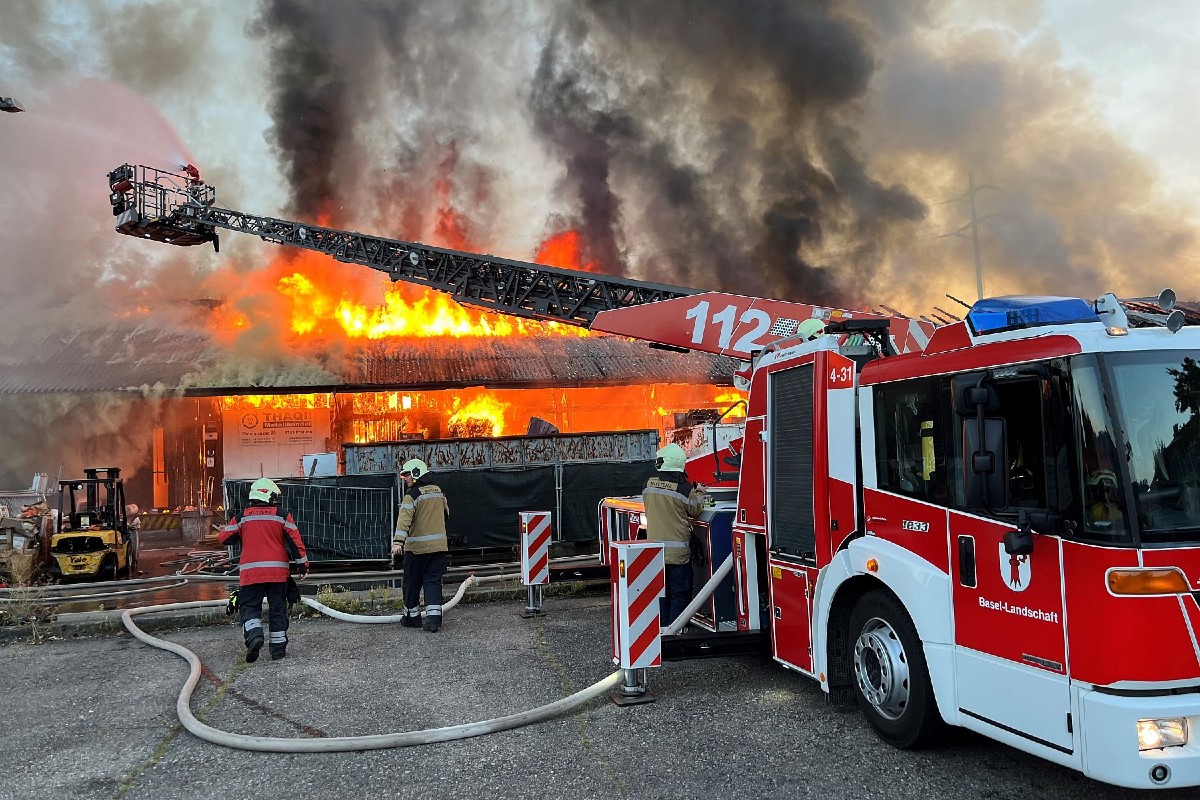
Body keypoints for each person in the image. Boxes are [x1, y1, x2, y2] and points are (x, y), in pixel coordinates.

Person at [219, 478, 309, 662]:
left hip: (251, 575)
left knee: (250, 607)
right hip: (277, 574)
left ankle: (254, 635)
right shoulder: (282, 515)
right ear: (269, 496)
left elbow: (224, 538)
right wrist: (303, 566)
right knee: (277, 610)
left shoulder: (242, 517)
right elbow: (296, 544)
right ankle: (277, 650)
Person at [642, 443, 706, 629]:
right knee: (680, 593)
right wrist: (700, 491)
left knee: (663, 594)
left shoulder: (647, 485)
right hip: (678, 555)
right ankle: (675, 633)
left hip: (655, 553)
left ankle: (662, 633)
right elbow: (695, 509)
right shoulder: (684, 489)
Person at [391, 459, 449, 632]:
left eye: (407, 474)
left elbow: (404, 520)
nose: (405, 478)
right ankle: (434, 621)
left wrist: (398, 542)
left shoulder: (412, 495)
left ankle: (412, 617)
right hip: (438, 548)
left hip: (417, 549)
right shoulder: (439, 492)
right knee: (433, 582)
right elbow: (446, 514)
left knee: (411, 582)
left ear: (416, 473)